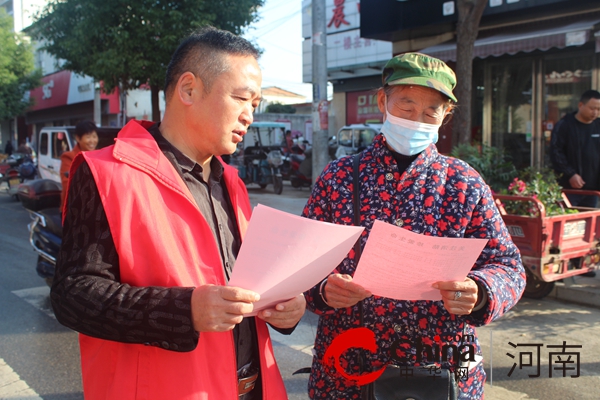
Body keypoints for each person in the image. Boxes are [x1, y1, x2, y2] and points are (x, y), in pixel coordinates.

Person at [51, 26, 305, 400]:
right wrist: (183, 310)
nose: (250, 115)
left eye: (256, 103)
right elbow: (73, 295)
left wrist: (286, 307)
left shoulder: (231, 181)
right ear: (188, 89)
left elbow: (246, 285)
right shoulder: (105, 172)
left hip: (254, 387)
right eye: (241, 98)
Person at [302, 53, 525, 399]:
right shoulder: (340, 177)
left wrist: (479, 291)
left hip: (443, 369)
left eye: (430, 111)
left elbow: (509, 266)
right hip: (348, 369)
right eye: (406, 107)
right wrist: (323, 291)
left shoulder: (464, 183)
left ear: (445, 115)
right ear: (383, 101)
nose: (417, 120)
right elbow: (298, 264)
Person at [550, 89, 600, 209]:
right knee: (569, 224)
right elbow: (556, 152)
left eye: (598, 109)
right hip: (570, 189)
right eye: (592, 108)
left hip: (593, 190)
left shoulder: (598, 125)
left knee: (590, 225)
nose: (595, 112)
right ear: (580, 105)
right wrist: (570, 174)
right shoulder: (565, 125)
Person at [59, 120, 98, 209]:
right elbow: (67, 184)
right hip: (74, 209)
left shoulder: (99, 157)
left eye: (94, 136)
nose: (92, 141)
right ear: (78, 138)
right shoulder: (68, 157)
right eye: (88, 137)